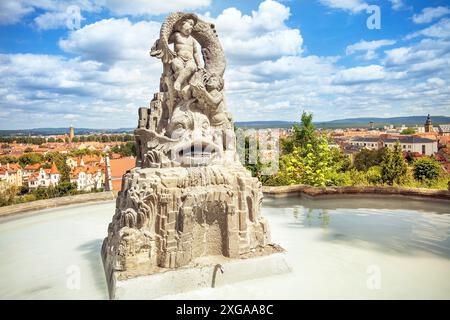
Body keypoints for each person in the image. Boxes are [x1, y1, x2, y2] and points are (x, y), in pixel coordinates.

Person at [169, 18, 202, 91]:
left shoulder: (192, 40)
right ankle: (185, 88)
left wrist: (199, 64)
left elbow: (195, 53)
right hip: (178, 59)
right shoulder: (177, 35)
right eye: (190, 24)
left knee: (191, 67)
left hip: (190, 60)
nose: (191, 27)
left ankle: (178, 82)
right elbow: (166, 41)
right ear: (182, 24)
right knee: (178, 67)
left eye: (192, 25)